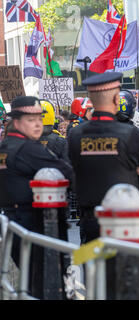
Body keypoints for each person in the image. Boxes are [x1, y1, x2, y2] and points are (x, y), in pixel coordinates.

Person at [67, 72, 139, 244]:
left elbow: (72, 169)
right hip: (123, 218)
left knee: (93, 266)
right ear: (117, 100)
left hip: (90, 216)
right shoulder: (130, 133)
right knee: (125, 268)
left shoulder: (76, 134)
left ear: (91, 101)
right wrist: (134, 167)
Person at [0, 96, 73, 299]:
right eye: (30, 120)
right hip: (34, 223)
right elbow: (66, 172)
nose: (37, 124)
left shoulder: (5, 147)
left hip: (11, 221)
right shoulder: (28, 149)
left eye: (39, 119)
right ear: (16, 122)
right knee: (45, 282)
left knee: (31, 282)